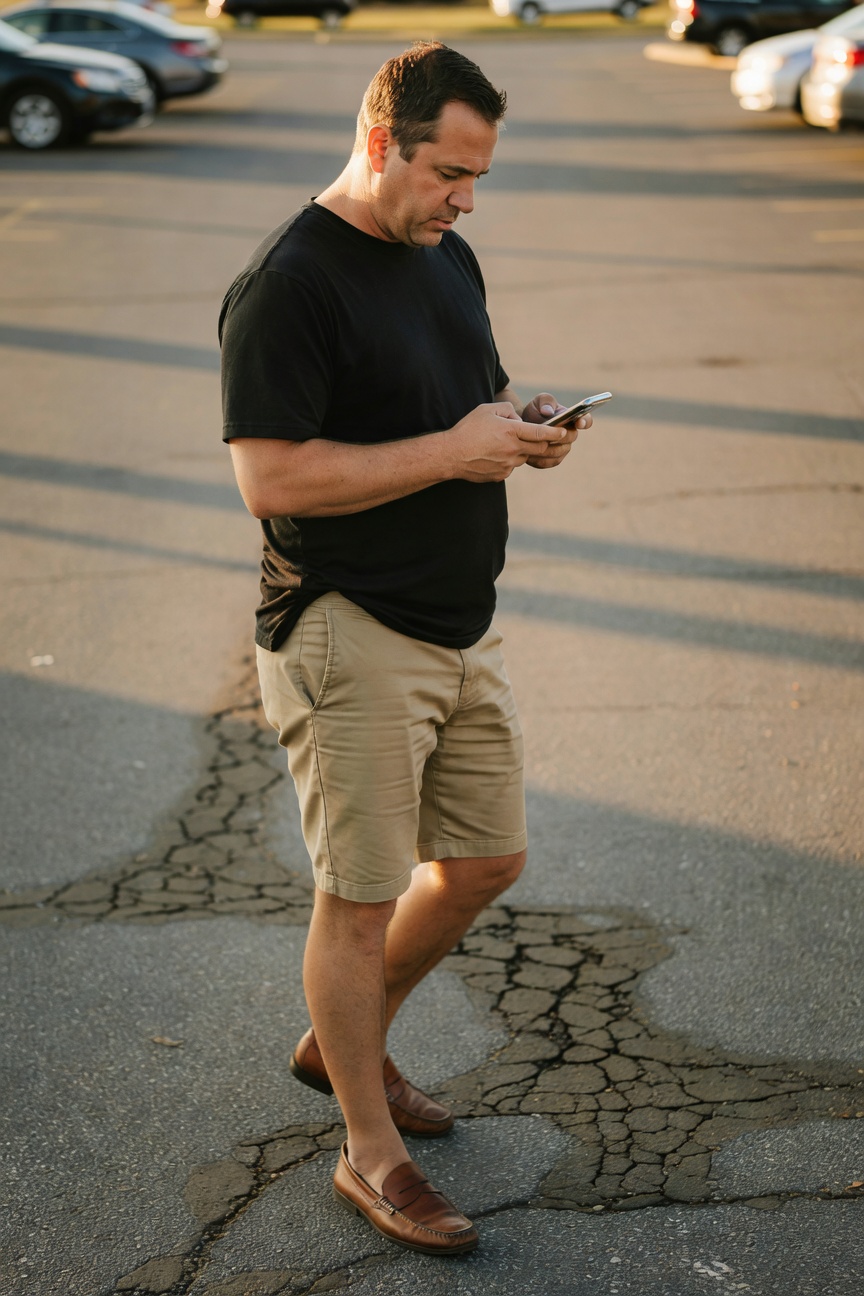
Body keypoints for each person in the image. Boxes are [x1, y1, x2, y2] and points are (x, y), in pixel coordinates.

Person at [219, 40, 591, 1256]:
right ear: (382, 141)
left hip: (459, 621)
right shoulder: (288, 284)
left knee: (485, 861)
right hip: (349, 629)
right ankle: (368, 1151)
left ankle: (344, 1045)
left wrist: (522, 425)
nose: (466, 201)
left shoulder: (444, 255)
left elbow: (461, 400)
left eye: (479, 177)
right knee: (360, 902)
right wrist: (452, 453)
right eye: (449, 173)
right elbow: (272, 479)